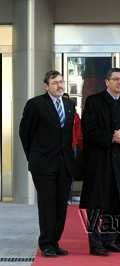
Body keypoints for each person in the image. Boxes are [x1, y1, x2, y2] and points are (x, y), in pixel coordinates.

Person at [79, 68, 120, 256]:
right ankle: (95, 243)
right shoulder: (94, 101)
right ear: (107, 82)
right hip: (98, 161)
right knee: (96, 203)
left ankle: (110, 239)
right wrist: (111, 137)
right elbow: (88, 130)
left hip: (119, 161)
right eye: (115, 79)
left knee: (116, 201)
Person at [19, 70, 76, 257]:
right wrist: (33, 157)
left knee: (61, 204)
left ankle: (55, 241)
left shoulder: (69, 104)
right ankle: (46, 244)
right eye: (55, 83)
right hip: (43, 165)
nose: (60, 86)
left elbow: (69, 136)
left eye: (61, 82)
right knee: (47, 205)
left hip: (64, 164)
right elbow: (24, 133)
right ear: (46, 86)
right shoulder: (35, 104)